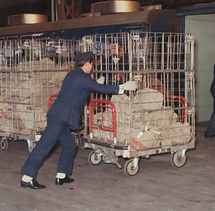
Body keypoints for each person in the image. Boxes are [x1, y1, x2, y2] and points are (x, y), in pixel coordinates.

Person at [20, 51, 137, 189]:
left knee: (69, 145)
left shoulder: (72, 75)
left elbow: (79, 90)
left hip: (61, 116)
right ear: (87, 64)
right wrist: (122, 87)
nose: (92, 67)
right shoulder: (83, 78)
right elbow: (98, 88)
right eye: (92, 64)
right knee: (43, 147)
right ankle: (27, 177)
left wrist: (94, 83)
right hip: (60, 118)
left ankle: (61, 175)